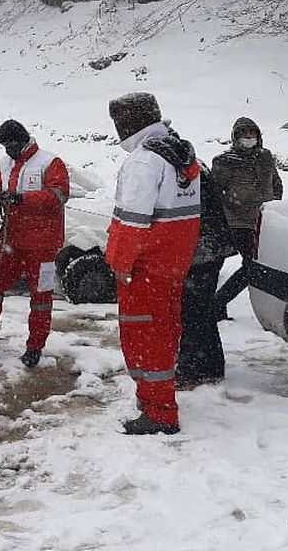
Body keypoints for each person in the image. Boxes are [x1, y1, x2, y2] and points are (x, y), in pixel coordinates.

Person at [105, 92, 201, 435]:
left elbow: (131, 223)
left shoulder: (144, 161)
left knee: (142, 338)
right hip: (171, 266)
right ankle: (156, 398)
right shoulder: (181, 154)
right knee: (164, 333)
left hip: (143, 269)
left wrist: (118, 263)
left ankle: (158, 412)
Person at [0, 119, 70, 368]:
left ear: (23, 139)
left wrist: (21, 199)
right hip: (11, 241)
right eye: (4, 145)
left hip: (43, 245)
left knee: (40, 297)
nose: (8, 149)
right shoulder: (4, 164)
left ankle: (34, 348)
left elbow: (59, 194)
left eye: (11, 144)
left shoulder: (49, 162)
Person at [211, 117, 282, 321]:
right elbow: (215, 192)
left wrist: (273, 203)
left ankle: (219, 303)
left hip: (264, 219)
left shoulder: (265, 157)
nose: (248, 137)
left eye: (252, 133)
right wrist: (234, 207)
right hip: (238, 223)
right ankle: (218, 303)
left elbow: (276, 183)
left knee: (258, 265)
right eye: (244, 134)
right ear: (236, 137)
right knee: (252, 266)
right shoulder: (225, 161)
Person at [177, 160, 236, 387]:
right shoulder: (192, 165)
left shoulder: (182, 171)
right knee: (202, 310)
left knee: (192, 312)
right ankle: (211, 365)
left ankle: (192, 369)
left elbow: (186, 212)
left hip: (200, 248)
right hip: (210, 246)